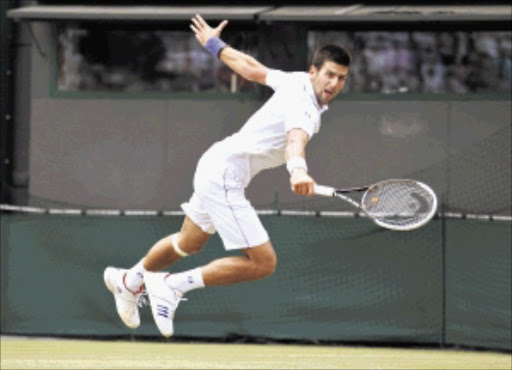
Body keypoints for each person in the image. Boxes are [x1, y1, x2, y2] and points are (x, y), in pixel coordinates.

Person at [104, 14, 351, 337]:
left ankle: (129, 280)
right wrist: (298, 170)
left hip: (216, 164)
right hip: (223, 176)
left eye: (341, 78)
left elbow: (250, 68)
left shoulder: (295, 81)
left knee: (188, 243)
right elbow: (295, 139)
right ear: (314, 72)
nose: (333, 84)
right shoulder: (303, 106)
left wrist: (213, 44)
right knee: (264, 263)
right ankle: (171, 285)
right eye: (329, 74)